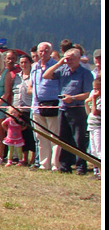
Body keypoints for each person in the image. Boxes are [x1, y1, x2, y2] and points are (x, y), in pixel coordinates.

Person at [43, 48, 93, 175]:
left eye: (72, 59)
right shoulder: (62, 71)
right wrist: (59, 63)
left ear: (78, 59)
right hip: (63, 108)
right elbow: (46, 75)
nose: (69, 61)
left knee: (79, 138)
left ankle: (81, 165)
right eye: (67, 59)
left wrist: (73, 98)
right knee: (63, 138)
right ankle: (65, 164)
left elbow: (88, 93)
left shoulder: (85, 73)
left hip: (77, 109)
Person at [28, 42, 61, 170]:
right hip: (36, 106)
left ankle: (55, 164)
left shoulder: (55, 66)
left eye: (46, 51)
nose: (43, 53)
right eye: (41, 51)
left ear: (51, 51)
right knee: (40, 137)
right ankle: (44, 163)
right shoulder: (35, 67)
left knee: (54, 136)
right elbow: (31, 85)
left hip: (51, 105)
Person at [15, 54, 36, 167]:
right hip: (18, 109)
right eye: (21, 62)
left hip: (30, 108)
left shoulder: (33, 75)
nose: (23, 64)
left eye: (25, 62)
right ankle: (23, 158)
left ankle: (33, 158)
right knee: (21, 135)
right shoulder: (17, 76)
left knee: (31, 135)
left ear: (30, 63)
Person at [85, 75, 101, 179]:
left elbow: (95, 112)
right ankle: (97, 172)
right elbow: (89, 112)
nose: (94, 91)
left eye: (97, 89)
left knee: (100, 151)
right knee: (94, 151)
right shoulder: (94, 97)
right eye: (93, 88)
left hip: (99, 128)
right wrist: (87, 101)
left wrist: (94, 99)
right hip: (92, 126)